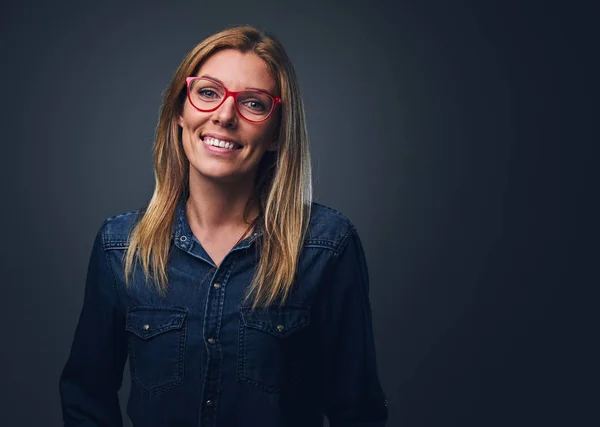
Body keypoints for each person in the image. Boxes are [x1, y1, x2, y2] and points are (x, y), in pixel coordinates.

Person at [59, 25, 388, 427]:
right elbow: (86, 399)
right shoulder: (120, 248)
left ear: (276, 134)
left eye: (253, 103)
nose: (225, 115)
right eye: (209, 92)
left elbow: (358, 412)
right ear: (180, 111)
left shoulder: (325, 246)